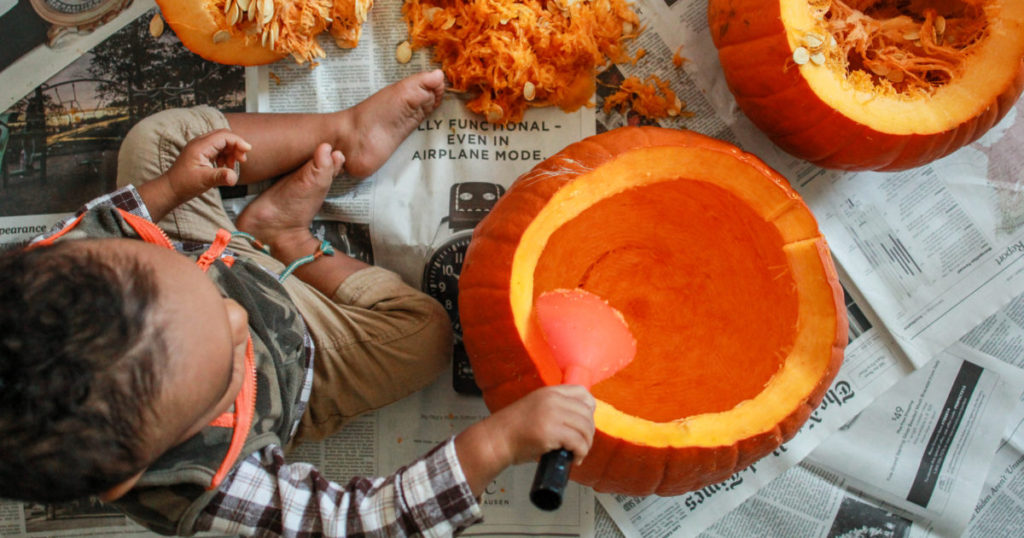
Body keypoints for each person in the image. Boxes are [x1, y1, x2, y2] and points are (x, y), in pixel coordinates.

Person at [0, 70, 596, 536]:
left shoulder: (60, 263)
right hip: (300, 362)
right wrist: (496, 444)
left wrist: (173, 188)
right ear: (130, 474)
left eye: (178, 278)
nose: (235, 316)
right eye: (226, 358)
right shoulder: (211, 493)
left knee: (156, 140)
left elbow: (105, 220)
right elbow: (356, 525)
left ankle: (346, 131)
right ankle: (292, 240)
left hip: (215, 249)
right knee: (424, 337)